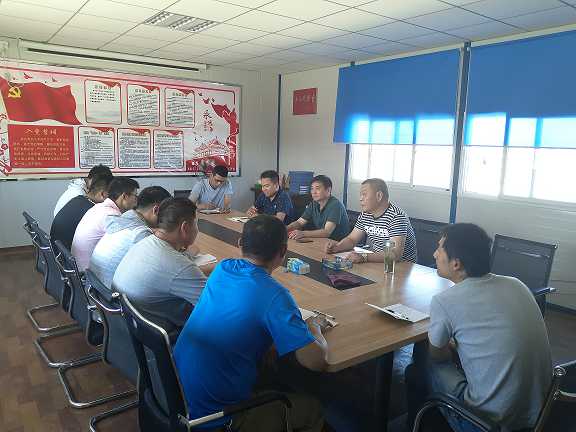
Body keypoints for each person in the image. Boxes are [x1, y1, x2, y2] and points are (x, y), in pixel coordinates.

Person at [174, 215, 329, 432]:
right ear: (283, 252)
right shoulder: (276, 296)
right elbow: (315, 361)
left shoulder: (223, 267)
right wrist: (314, 327)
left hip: (180, 394)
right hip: (218, 418)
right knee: (313, 408)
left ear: (240, 244)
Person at [405, 224, 552, 432]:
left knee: (423, 361)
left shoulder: (445, 300)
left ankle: (418, 422)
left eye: (439, 249)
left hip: (485, 423)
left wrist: (449, 346)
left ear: (456, 263)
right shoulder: (517, 284)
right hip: (541, 415)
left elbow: (438, 356)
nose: (434, 254)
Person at [113, 197, 207, 330]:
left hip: (130, 325)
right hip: (160, 331)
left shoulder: (144, 242)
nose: (197, 229)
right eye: (196, 223)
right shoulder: (181, 267)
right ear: (184, 227)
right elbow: (216, 307)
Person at [89, 186, 171, 289]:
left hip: (97, 290)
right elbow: (164, 270)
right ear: (156, 210)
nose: (168, 220)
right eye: (168, 215)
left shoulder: (123, 221)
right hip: (111, 294)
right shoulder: (140, 234)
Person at [324, 178, 417, 264]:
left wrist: (364, 257)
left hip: (400, 266)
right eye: (360, 195)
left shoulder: (396, 216)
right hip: (379, 262)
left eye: (364, 194)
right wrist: (337, 247)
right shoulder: (365, 214)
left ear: (379, 196)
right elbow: (352, 239)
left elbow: (395, 254)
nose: (360, 198)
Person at [71, 177, 139, 271]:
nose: (136, 200)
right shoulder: (112, 215)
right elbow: (126, 246)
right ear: (124, 196)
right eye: (135, 196)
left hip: (79, 266)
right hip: (87, 273)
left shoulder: (99, 207)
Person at [50, 175, 112, 250]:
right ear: (103, 194)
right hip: (66, 253)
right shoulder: (93, 211)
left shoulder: (77, 199)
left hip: (57, 249)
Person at [287, 175, 350, 241]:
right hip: (322, 241)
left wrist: (302, 233)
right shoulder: (314, 203)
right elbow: (299, 222)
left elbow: (326, 232)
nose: (313, 192)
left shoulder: (336, 205)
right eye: (312, 188)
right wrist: (284, 229)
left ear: (328, 190)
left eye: (317, 188)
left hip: (337, 243)